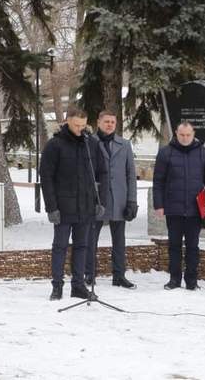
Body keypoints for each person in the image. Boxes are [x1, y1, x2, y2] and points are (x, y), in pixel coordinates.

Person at [40, 106, 107, 301]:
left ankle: (78, 286)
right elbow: (46, 177)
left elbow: (102, 172)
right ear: (67, 121)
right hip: (63, 207)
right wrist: (51, 207)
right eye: (76, 125)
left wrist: (99, 200)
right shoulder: (55, 145)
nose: (80, 129)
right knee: (60, 246)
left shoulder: (91, 144)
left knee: (82, 246)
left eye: (83, 125)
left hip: (86, 206)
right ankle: (57, 286)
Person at [153, 121, 205, 290]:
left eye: (188, 135)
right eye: (182, 134)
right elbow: (158, 181)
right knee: (174, 246)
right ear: (176, 133)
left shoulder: (203, 154)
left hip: (195, 210)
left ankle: (191, 281)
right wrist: (158, 204)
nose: (185, 138)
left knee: (192, 247)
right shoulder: (165, 153)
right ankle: (174, 280)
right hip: (173, 209)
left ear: (193, 134)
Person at [85, 110, 138, 289]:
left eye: (112, 122)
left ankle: (119, 275)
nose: (109, 125)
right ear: (99, 122)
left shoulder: (124, 144)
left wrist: (132, 201)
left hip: (119, 199)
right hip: (97, 199)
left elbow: (131, 174)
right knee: (91, 239)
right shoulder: (89, 142)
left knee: (119, 240)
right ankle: (89, 274)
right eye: (106, 121)